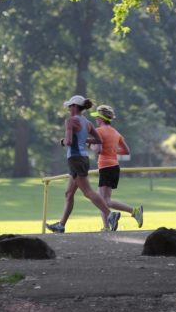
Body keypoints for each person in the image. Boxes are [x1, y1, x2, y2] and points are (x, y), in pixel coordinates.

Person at [46, 95, 121, 233]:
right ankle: (61, 225)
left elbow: (68, 142)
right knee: (69, 193)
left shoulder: (70, 121)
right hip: (83, 158)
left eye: (70, 106)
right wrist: (82, 140)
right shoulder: (87, 123)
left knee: (87, 192)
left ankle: (110, 214)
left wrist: (62, 141)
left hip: (75, 159)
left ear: (74, 106)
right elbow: (98, 140)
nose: (68, 108)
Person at [88, 105, 143, 229]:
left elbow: (97, 150)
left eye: (97, 117)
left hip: (106, 167)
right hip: (114, 167)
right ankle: (107, 226)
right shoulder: (116, 132)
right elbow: (126, 150)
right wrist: (112, 150)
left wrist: (89, 145)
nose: (96, 119)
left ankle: (134, 211)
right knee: (102, 199)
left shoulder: (99, 131)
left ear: (101, 118)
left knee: (104, 201)